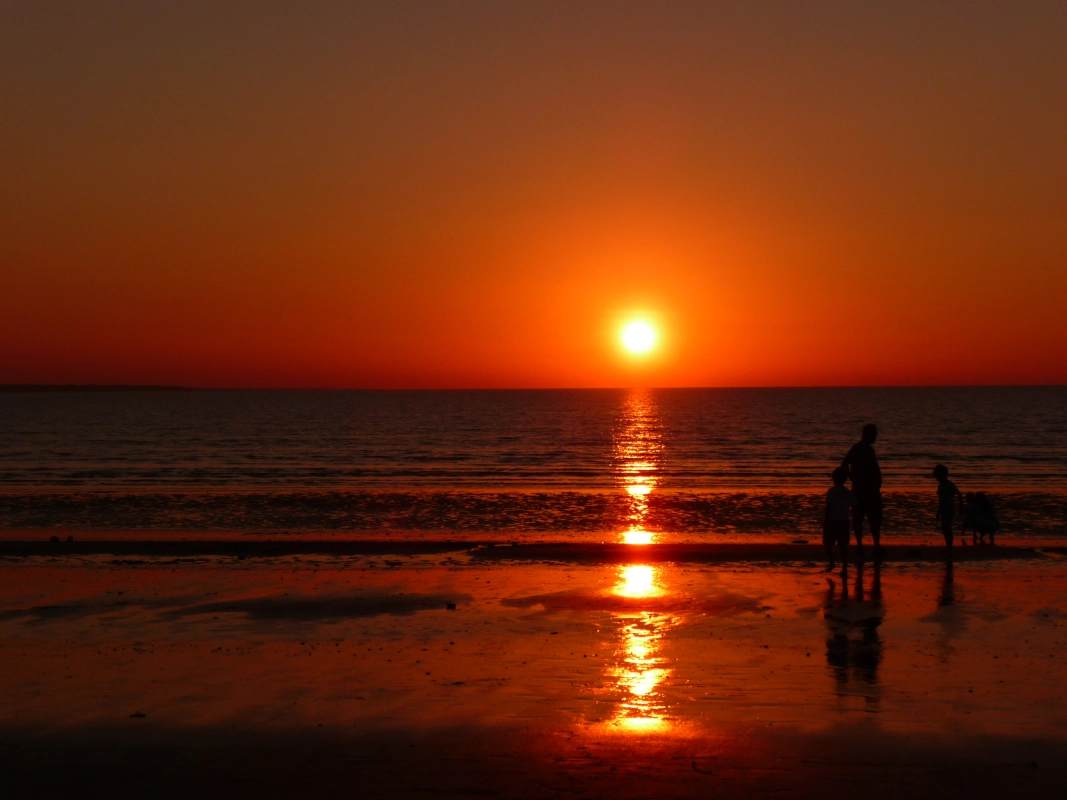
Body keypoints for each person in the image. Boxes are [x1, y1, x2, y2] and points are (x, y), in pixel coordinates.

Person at [841, 423, 883, 559]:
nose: (876, 437)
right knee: (871, 519)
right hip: (866, 490)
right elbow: (844, 464)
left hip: (864, 489)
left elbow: (844, 464)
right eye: (874, 434)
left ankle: (864, 546)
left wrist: (852, 476)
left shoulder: (860, 448)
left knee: (863, 519)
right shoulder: (863, 449)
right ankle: (872, 546)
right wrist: (851, 476)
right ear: (868, 435)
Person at [823, 467, 854, 571]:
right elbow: (854, 506)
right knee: (843, 546)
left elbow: (829, 507)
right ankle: (844, 567)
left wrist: (825, 520)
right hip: (844, 521)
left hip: (833, 521)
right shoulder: (848, 492)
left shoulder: (831, 491)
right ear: (845, 480)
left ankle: (832, 562)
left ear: (834, 479)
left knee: (828, 543)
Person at [932, 464, 961, 553]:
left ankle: (949, 547)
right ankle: (948, 546)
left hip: (949, 509)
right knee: (944, 527)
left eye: (938, 476)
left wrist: (961, 505)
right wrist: (938, 511)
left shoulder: (949, 484)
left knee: (946, 527)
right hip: (944, 509)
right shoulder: (941, 485)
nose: (937, 478)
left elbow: (959, 494)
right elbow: (940, 500)